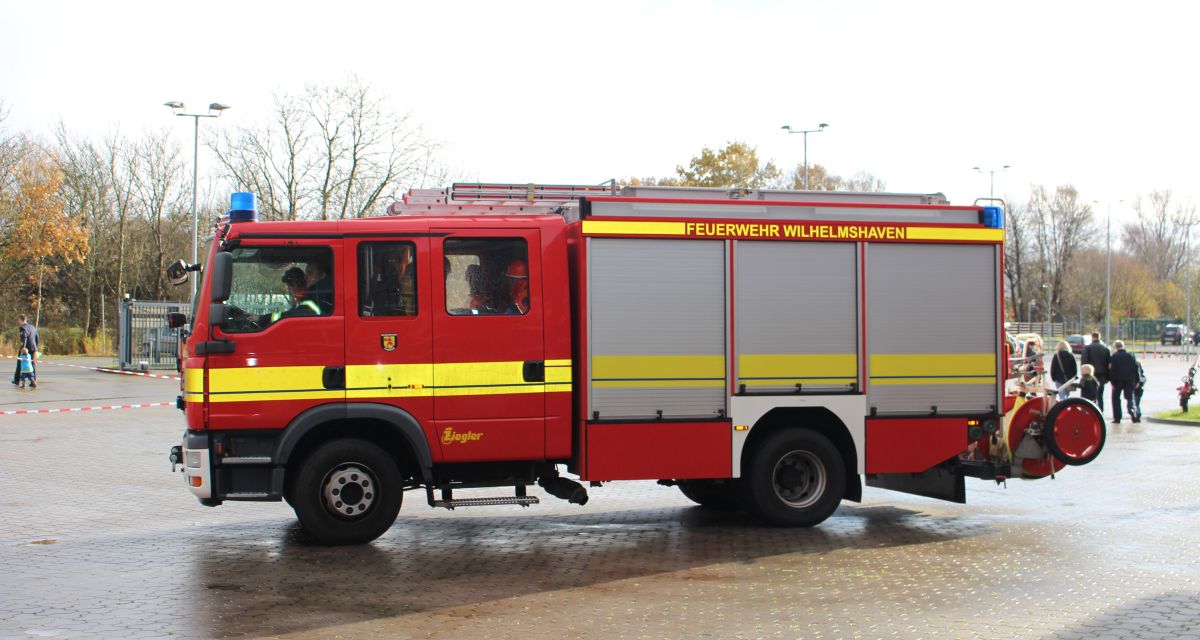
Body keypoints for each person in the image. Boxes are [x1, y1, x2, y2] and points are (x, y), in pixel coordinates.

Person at [1108, 339, 1139, 423]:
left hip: (1118, 381)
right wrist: (1137, 381)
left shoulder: (1114, 357)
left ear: (1115, 347)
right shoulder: (1131, 355)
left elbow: (1112, 371)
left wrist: (1112, 382)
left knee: (1116, 399)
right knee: (1130, 397)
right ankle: (1132, 412)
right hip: (1129, 380)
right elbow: (1136, 368)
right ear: (1123, 346)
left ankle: (1117, 418)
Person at [1081, 332, 1111, 413]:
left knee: (1088, 395)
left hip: (1090, 376)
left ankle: (1089, 412)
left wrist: (1083, 373)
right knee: (1100, 395)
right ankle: (1100, 412)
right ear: (1099, 337)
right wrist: (1108, 377)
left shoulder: (1087, 348)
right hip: (1102, 376)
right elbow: (1109, 364)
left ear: (1092, 337)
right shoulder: (1106, 349)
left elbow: (1084, 362)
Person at [11, 314, 38, 387]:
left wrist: (23, 348)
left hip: (26, 349)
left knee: (19, 364)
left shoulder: (22, 328)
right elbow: (36, 337)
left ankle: (17, 381)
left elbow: (24, 338)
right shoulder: (32, 327)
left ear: (20, 319)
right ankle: (33, 380)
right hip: (33, 348)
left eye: (19, 320)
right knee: (32, 365)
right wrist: (36, 348)